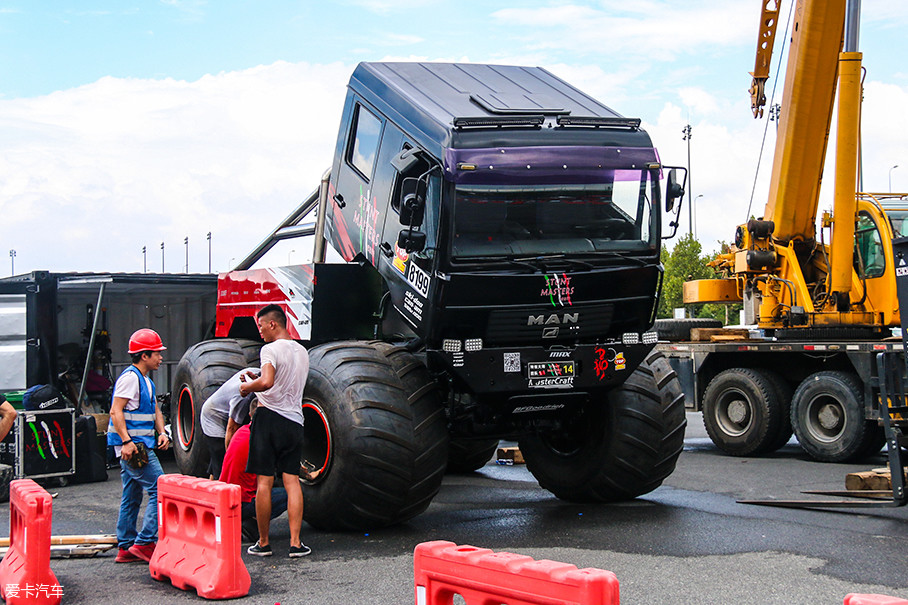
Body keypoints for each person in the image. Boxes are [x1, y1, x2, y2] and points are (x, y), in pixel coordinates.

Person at [238, 304, 310, 558]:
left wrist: (248, 387)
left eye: (260, 327)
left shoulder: (269, 349)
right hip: (294, 421)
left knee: (264, 482)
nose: (260, 333)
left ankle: (264, 542)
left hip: (269, 419)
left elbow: (267, 382)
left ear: (272, 324)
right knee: (292, 482)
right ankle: (295, 543)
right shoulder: (302, 351)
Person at [107, 328, 171, 563]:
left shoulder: (146, 381)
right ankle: (144, 543)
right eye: (157, 353)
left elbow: (154, 411)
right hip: (134, 447)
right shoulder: (130, 379)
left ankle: (125, 546)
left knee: (132, 494)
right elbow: (116, 410)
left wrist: (162, 432)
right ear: (144, 355)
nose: (161, 357)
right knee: (161, 489)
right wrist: (126, 442)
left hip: (140, 445)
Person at [218, 398, 289, 542]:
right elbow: (284, 467)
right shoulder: (261, 440)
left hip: (226, 498)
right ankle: (251, 521)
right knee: (292, 492)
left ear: (250, 415)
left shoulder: (241, 431)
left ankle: (245, 519)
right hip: (242, 501)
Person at [199, 367, 258, 479]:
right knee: (222, 467)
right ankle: (218, 489)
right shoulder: (243, 396)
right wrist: (230, 460)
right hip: (213, 418)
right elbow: (231, 429)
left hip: (224, 410)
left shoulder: (258, 373)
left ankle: (211, 486)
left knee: (217, 462)